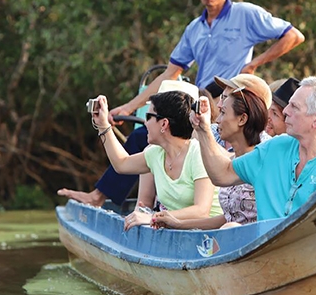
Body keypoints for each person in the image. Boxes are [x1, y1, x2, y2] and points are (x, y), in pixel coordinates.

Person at [58, 0, 305, 207]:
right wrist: (130, 107)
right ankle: (136, 203)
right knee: (145, 136)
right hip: (200, 99)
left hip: (230, 99)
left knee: (201, 150)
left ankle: (166, 207)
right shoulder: (195, 28)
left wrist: (254, 64)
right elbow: (169, 73)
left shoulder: (245, 14)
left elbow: (293, 36)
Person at [192, 76, 316, 222]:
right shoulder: (275, 147)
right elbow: (222, 174)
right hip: (265, 250)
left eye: (294, 107)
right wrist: (203, 130)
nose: (286, 111)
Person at [85, 90, 223, 231]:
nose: (145, 123)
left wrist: (154, 217)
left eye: (148, 116)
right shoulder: (155, 153)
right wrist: (102, 125)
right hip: (180, 233)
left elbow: (201, 211)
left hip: (211, 235)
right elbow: (121, 164)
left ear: (164, 124)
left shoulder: (198, 154)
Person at [152, 75, 271, 230]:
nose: (218, 118)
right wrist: (177, 223)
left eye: (224, 107)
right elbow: (228, 216)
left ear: (243, 117)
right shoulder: (233, 153)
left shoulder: (266, 153)